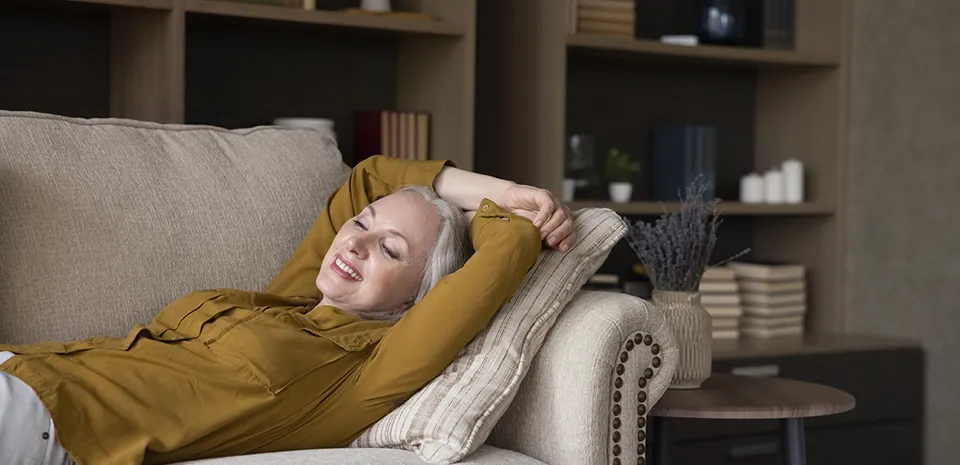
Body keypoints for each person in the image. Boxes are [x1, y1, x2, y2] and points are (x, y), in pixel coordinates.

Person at [0, 155, 575, 465]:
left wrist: (514, 209)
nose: (354, 244)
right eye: (362, 226)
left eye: (390, 250)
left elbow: (507, 251)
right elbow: (368, 177)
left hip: (50, 421)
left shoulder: (362, 372)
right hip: (21, 367)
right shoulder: (289, 302)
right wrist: (495, 186)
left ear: (415, 299)